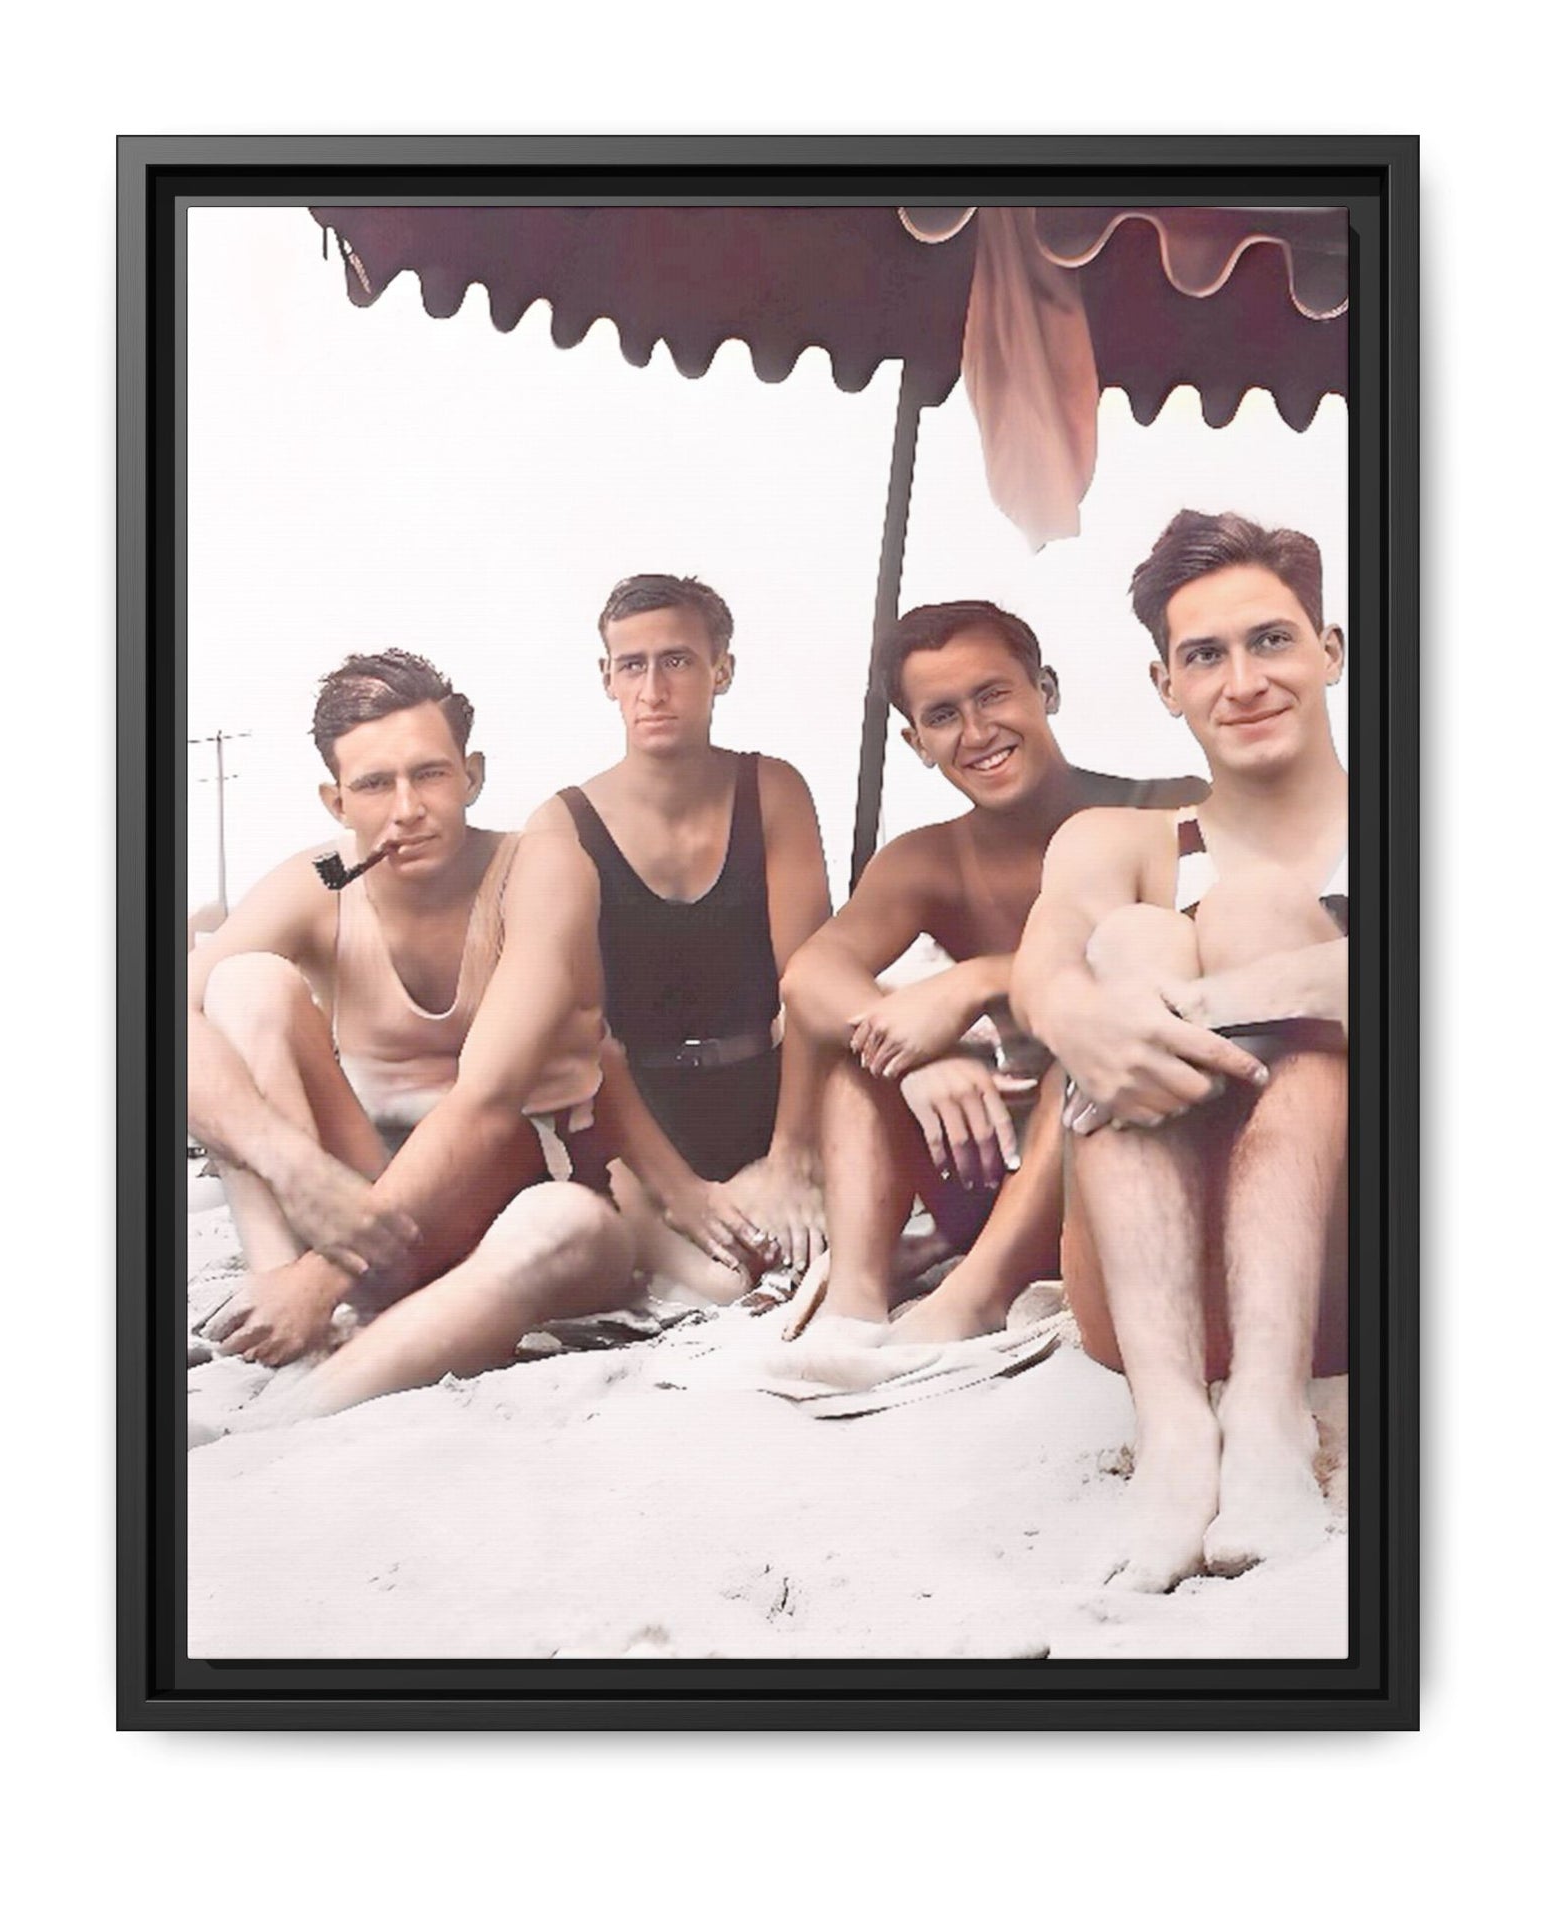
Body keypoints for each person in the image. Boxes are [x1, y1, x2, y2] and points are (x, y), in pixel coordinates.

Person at [186, 649, 667, 1420]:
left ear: (471, 774)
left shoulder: (538, 866)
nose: (407, 807)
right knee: (240, 984)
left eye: (430, 774)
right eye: (376, 784)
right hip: (354, 1212)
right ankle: (282, 1315)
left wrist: (324, 1278)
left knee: (565, 1225)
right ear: (336, 800)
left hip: (520, 1215)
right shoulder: (320, 879)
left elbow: (488, 1097)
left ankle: (286, 1413)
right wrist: (295, 1172)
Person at [1012, 510, 1350, 1593]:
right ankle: (1173, 1431)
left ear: (1328, 650)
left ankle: (1264, 1413)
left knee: (1248, 914)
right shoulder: (1115, 839)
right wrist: (1092, 1012)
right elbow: (1042, 976)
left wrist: (1195, 1007)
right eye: (1203, 654)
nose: (1241, 679)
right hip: (1143, 1284)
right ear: (1165, 683)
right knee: (1130, 936)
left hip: (1350, 1270)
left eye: (1269, 640)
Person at [780, 600, 1204, 1344]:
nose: (976, 734)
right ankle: (855, 1301)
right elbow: (811, 974)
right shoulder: (928, 858)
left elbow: (1206, 957)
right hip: (982, 1157)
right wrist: (921, 1063)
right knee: (864, 1064)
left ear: (1047, 689)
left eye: (993, 695)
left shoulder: (1164, 808)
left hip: (1119, 1149)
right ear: (915, 742)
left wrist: (979, 978)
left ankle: (974, 1298)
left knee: (1070, 1055)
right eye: (943, 715)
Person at [527, 574, 833, 1301]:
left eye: (677, 661)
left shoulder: (772, 789)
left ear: (720, 669)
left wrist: (791, 1155)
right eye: (632, 665)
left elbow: (812, 985)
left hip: (767, 1094)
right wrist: (682, 1191)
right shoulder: (561, 824)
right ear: (606, 679)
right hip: (634, 1121)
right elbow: (580, 1035)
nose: (653, 689)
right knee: (721, 1285)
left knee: (804, 1250)